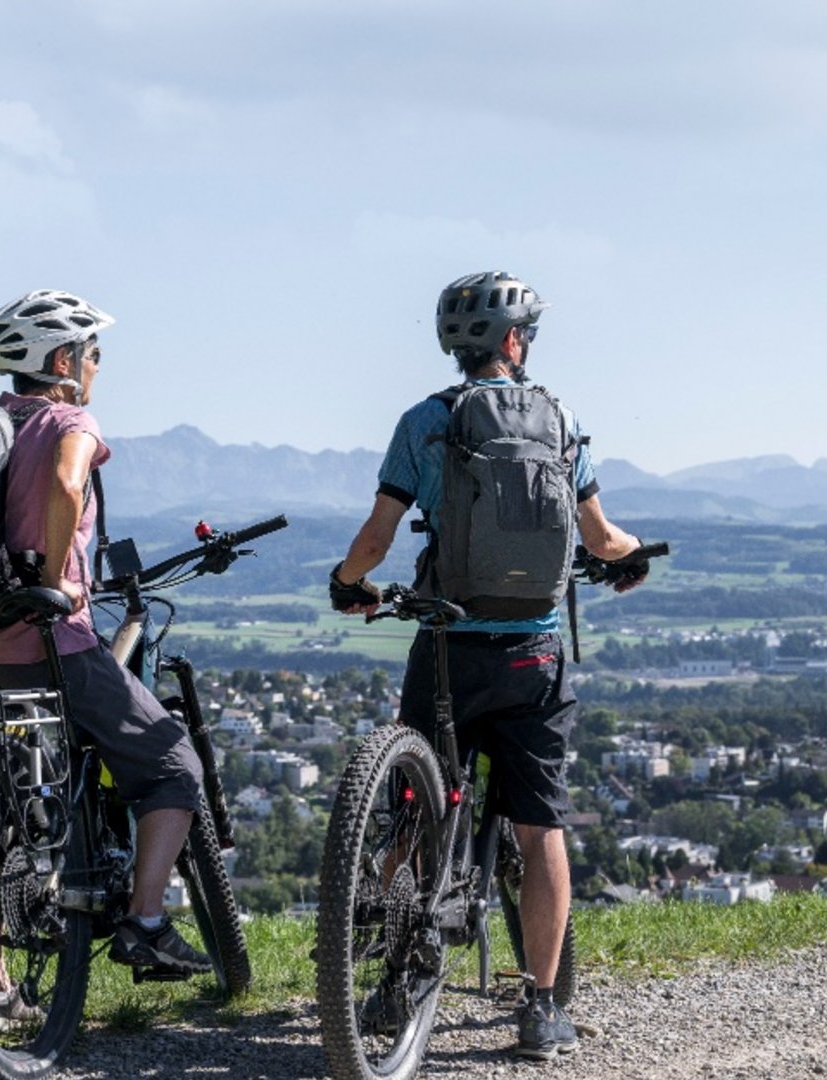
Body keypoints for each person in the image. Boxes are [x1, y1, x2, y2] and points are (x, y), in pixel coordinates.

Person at [328, 271, 646, 1061]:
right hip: (533, 653)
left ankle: (390, 959)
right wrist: (631, 557)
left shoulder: (425, 422)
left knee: (414, 805)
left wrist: (349, 585)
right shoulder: (563, 419)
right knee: (541, 828)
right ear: (513, 342)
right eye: (525, 334)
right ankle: (541, 1008)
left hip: (447, 647)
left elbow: (376, 536)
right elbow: (602, 539)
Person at [0, 289, 211, 1031]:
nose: (97, 365)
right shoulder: (68, 419)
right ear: (63, 361)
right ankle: (146, 922)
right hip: (49, 642)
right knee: (172, 766)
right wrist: (58, 580)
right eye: (93, 352)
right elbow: (69, 482)